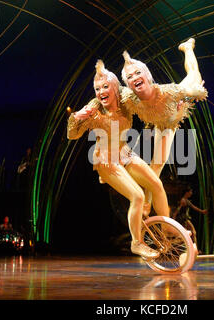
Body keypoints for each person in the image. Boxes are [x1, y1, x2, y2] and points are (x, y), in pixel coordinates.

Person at [67, 60, 172, 259]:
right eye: (98, 89)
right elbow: (71, 135)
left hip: (124, 153)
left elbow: (149, 98)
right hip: (105, 160)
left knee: (156, 185)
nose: (101, 92)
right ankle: (136, 243)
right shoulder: (94, 107)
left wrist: (173, 103)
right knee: (138, 196)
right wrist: (77, 118)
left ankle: (168, 230)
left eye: (105, 87)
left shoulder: (126, 99)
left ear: (115, 88)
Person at [120, 38, 208, 213]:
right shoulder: (129, 97)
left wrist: (194, 93)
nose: (135, 78)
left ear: (147, 75)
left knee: (194, 75)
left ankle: (188, 48)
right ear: (128, 84)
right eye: (130, 77)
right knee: (157, 164)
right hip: (163, 125)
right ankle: (146, 204)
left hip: (179, 103)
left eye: (138, 73)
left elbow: (196, 92)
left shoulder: (168, 92)